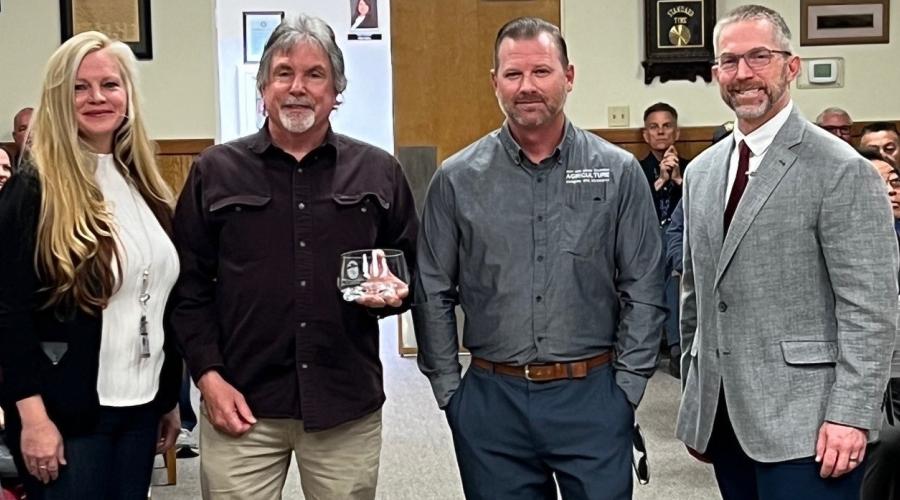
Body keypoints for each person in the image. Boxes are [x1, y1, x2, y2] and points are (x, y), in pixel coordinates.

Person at [413, 16, 664, 500]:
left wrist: (627, 389)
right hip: (491, 401)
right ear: (495, 83)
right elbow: (432, 290)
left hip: (592, 395)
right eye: (513, 74)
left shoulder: (617, 172)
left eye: (542, 72)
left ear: (569, 77)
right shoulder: (457, 178)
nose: (527, 87)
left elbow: (645, 285)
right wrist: (450, 391)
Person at [170, 14, 417, 500]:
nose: (297, 87)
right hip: (242, 403)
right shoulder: (214, 171)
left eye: (315, 74)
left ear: (337, 90)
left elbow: (413, 268)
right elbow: (187, 288)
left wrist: (395, 296)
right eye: (284, 73)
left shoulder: (379, 172)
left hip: (345, 404)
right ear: (264, 87)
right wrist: (208, 376)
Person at [676, 5, 898, 499]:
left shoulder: (841, 169)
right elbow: (697, 296)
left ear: (791, 66)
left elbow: (872, 309)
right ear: (716, 74)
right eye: (729, 62)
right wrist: (698, 397)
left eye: (760, 57)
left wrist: (851, 414)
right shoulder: (702, 172)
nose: (743, 74)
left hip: (813, 425)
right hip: (725, 418)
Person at [0, 31, 182, 498]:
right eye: (79, 87)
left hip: (140, 407)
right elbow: (8, 313)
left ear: (129, 96)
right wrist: (32, 417)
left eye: (110, 84)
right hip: (67, 413)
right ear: (58, 100)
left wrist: (167, 399)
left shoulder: (143, 184)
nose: (97, 97)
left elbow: (160, 295)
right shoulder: (35, 189)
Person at [857, 148, 900, 500]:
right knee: (887, 444)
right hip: (876, 376)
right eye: (879, 183)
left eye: (895, 182)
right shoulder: (849, 242)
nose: (890, 190)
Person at [640, 102, 688, 377]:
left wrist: (679, 179)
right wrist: (659, 181)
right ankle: (675, 345)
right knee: (668, 260)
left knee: (675, 261)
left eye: (666, 126)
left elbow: (701, 210)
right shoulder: (634, 169)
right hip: (645, 241)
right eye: (654, 127)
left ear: (676, 132)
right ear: (646, 135)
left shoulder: (696, 168)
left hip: (682, 242)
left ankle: (677, 346)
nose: (660, 132)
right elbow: (633, 212)